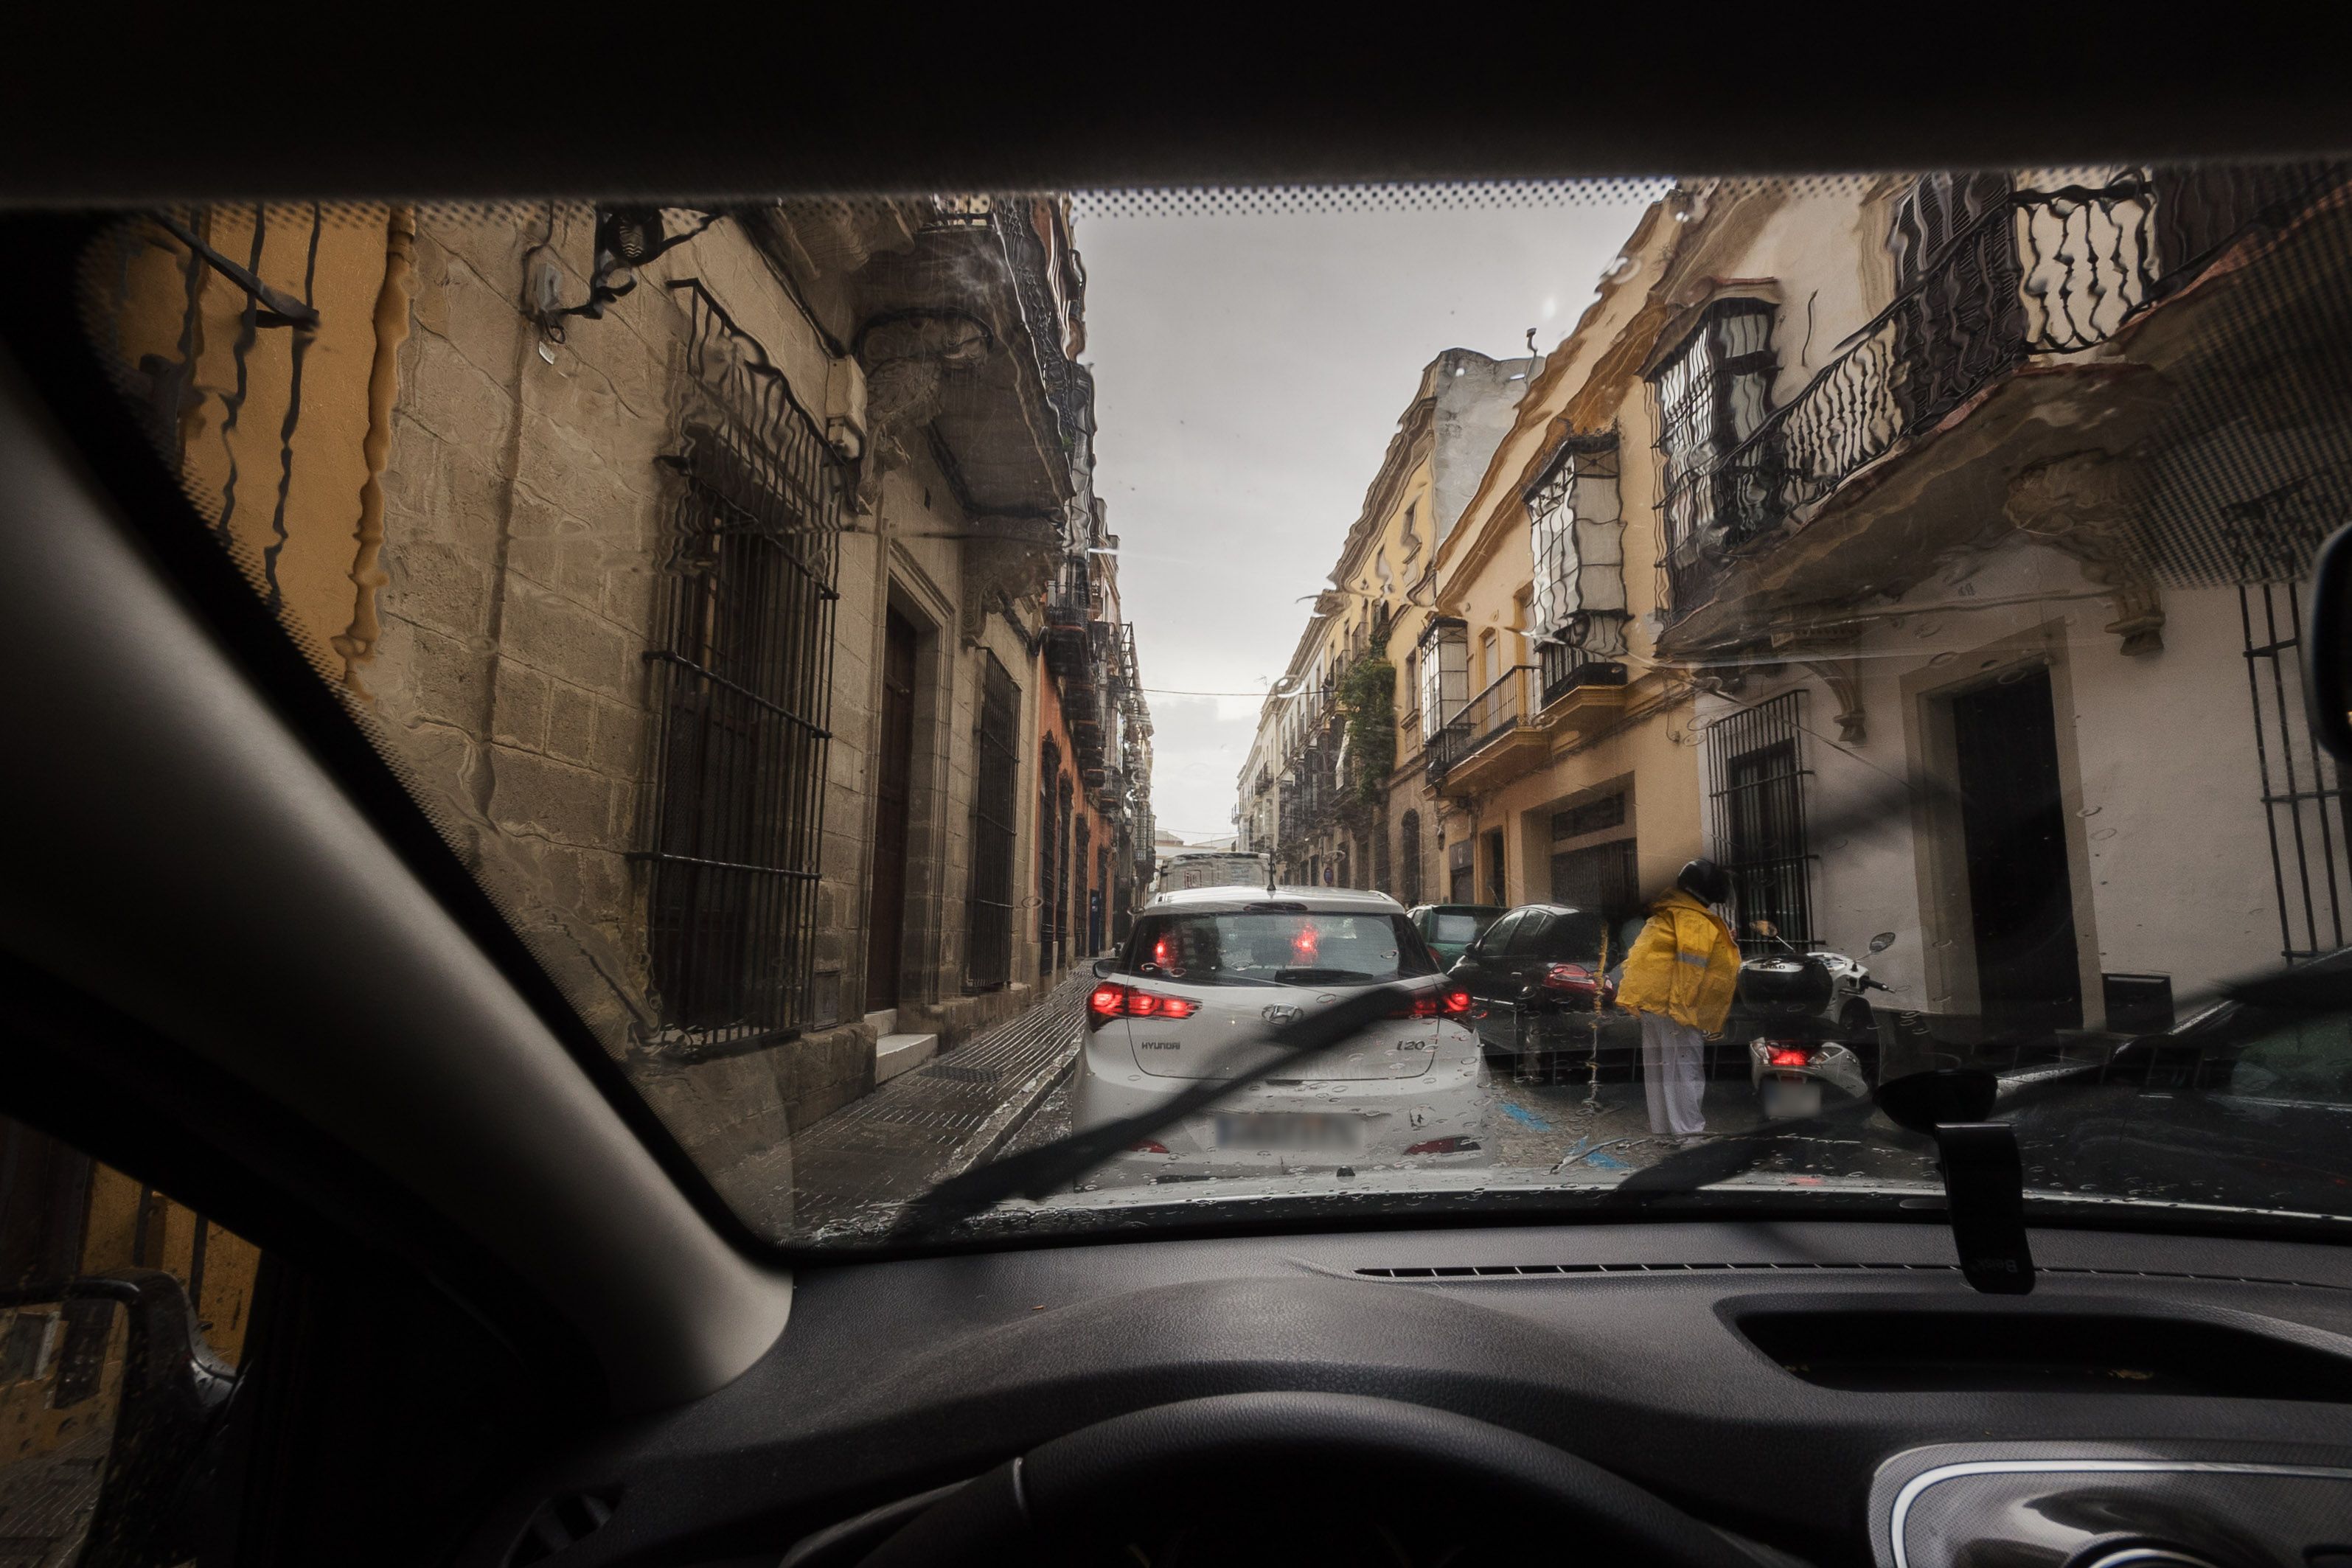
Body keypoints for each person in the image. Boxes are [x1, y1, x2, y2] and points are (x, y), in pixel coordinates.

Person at [1613, 858, 1742, 1143]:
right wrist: (1683, 1011)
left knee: (1659, 1071)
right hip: (1674, 1006)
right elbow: (1690, 969)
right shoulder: (1692, 920)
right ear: (1708, 889)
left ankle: (1665, 1133)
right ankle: (1690, 1135)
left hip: (1651, 1003)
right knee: (1684, 1071)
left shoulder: (1668, 914)